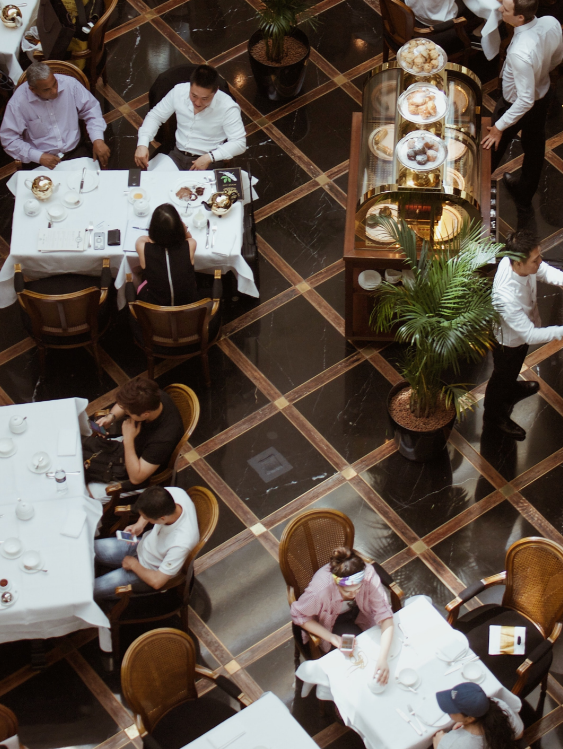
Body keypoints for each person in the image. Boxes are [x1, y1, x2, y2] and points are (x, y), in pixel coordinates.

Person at [481, 0, 563, 213]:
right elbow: (557, 58)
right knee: (535, 146)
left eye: (506, 9)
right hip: (542, 96)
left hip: (514, 104)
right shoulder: (551, 23)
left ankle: (476, 191)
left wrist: (499, 127)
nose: (500, 9)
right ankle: (524, 194)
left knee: (491, 148)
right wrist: (539, 72)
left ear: (520, 17)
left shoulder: (519, 52)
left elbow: (524, 101)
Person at [484, 230, 563, 439]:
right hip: (508, 342)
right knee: (502, 375)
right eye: (535, 260)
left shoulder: (515, 261)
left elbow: (543, 271)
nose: (540, 261)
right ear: (518, 263)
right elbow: (529, 335)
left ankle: (511, 389)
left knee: (512, 371)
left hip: (522, 332)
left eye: (539, 256)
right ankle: (494, 414)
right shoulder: (505, 296)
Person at [290, 546, 394, 683]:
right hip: (330, 622)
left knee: (379, 650)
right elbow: (298, 614)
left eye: (358, 589)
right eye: (347, 592)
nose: (354, 594)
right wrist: (331, 637)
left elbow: (385, 614)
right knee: (356, 664)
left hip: (362, 613)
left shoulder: (368, 575)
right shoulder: (320, 590)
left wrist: (383, 659)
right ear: (336, 584)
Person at [93, 485, 199, 601]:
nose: (144, 518)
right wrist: (140, 524)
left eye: (146, 518)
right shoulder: (175, 493)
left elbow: (157, 581)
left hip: (147, 571)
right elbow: (151, 504)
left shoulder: (181, 543)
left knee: (92, 589)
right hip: (141, 546)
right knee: (89, 548)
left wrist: (133, 565)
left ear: (162, 518)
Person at [135, 64, 246, 172]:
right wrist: (142, 143)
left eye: (204, 98)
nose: (197, 103)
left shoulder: (228, 107)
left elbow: (239, 142)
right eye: (194, 96)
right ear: (190, 85)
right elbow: (155, 116)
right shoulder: (179, 91)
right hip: (176, 155)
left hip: (207, 161)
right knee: (151, 181)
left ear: (216, 91)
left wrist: (209, 157)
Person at [0, 62, 110, 170]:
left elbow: (91, 109)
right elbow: (8, 139)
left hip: (75, 150)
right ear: (33, 89)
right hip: (41, 160)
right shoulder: (18, 102)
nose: (54, 91)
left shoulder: (70, 84)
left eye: (54, 84)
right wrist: (37, 156)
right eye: (46, 89)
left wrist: (97, 139)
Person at [94, 377, 184, 487]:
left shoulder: (163, 440)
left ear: (145, 414)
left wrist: (128, 439)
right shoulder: (151, 396)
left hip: (141, 468)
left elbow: (136, 478)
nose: (126, 413)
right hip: (132, 446)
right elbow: (124, 404)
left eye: (128, 413)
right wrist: (111, 417)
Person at [135, 203, 199, 306]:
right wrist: (184, 229)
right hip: (187, 304)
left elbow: (142, 238)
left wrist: (156, 237)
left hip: (154, 307)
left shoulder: (142, 247)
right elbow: (188, 237)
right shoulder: (191, 245)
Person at [433, 682, 523, 748]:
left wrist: (438, 745)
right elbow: (519, 735)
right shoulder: (500, 706)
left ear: (470, 718)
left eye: (451, 711)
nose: (449, 713)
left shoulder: (453, 744)